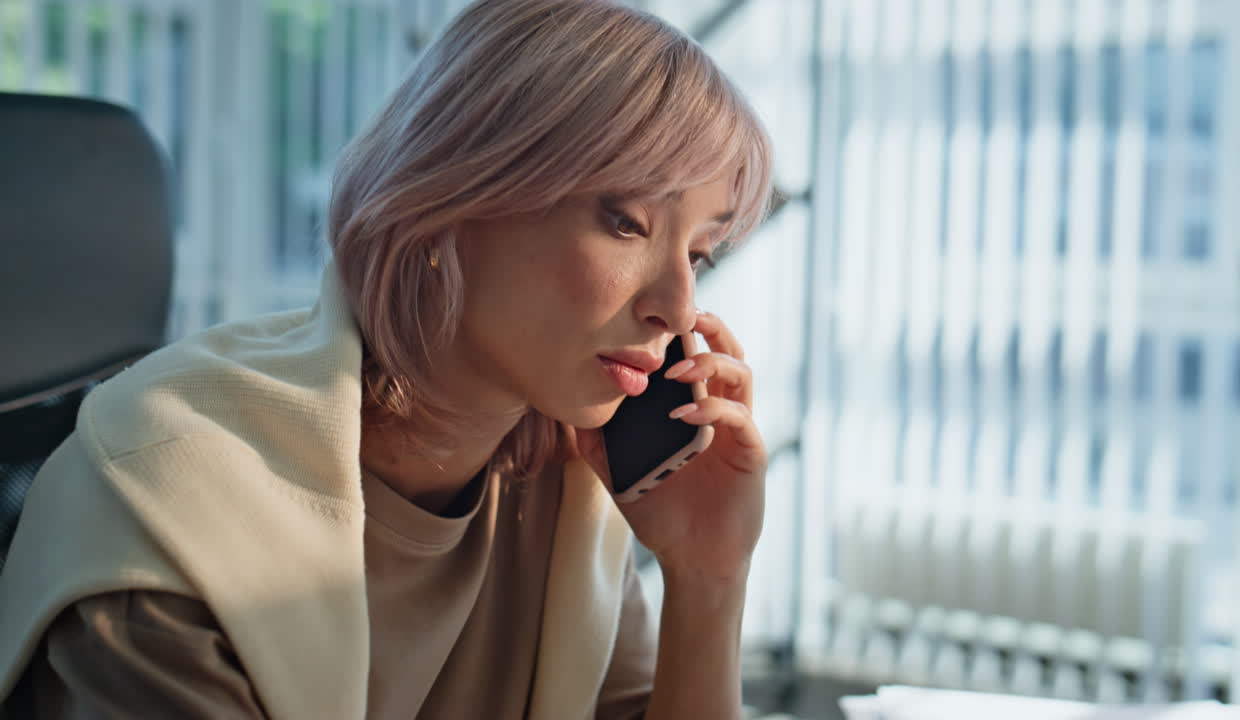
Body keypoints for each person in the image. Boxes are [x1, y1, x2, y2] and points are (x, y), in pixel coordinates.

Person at [0, 0, 775, 716]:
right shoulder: (172, 507)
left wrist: (709, 576)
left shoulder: (562, 494)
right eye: (627, 222)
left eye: (701, 254)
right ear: (456, 197)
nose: (677, 308)